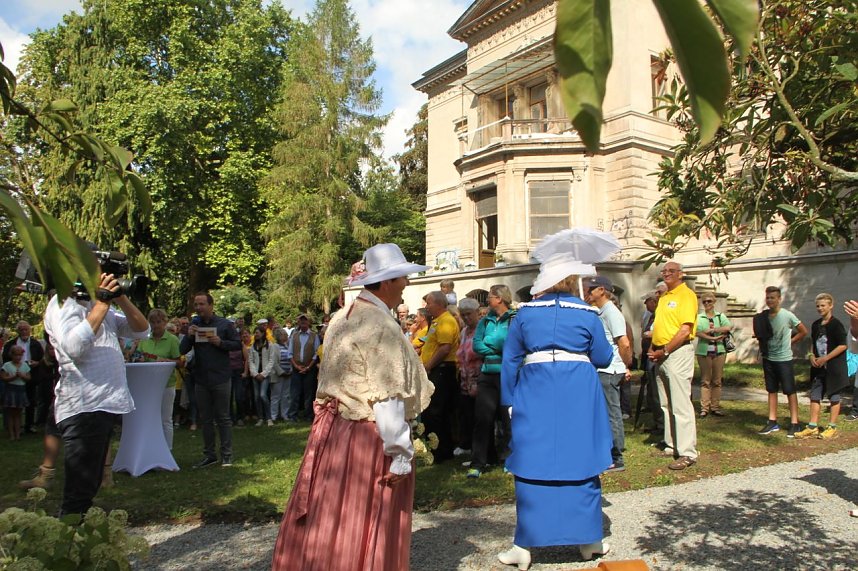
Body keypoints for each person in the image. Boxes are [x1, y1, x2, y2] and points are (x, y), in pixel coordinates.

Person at [271, 243, 433, 571]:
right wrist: (401, 453)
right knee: (366, 513)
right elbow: (386, 396)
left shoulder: (345, 316)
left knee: (336, 512)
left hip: (338, 434)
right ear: (386, 282)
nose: (407, 285)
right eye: (402, 278)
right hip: (368, 438)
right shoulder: (379, 326)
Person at [497, 252, 614, 570]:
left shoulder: (524, 314)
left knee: (532, 458)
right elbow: (603, 358)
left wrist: (508, 400)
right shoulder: (589, 313)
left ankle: (523, 546)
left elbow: (510, 359)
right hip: (578, 389)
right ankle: (589, 541)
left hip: (535, 389)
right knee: (583, 456)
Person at [44, 272, 150, 516]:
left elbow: (141, 330)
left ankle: (76, 543)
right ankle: (68, 545)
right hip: (84, 405)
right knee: (79, 492)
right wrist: (102, 304)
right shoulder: (63, 304)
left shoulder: (100, 307)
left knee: (88, 486)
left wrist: (120, 298)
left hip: (103, 404)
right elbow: (73, 347)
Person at [647, 261, 699, 471]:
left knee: (680, 403)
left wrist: (665, 350)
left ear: (681, 274)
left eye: (671, 271)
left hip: (677, 352)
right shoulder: (664, 297)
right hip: (661, 352)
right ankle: (671, 444)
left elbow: (685, 330)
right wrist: (653, 348)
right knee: (665, 403)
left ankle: (688, 452)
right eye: (664, 271)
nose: (667, 274)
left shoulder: (686, 295)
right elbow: (659, 327)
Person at [180, 292, 241, 468]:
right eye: (196, 305)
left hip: (221, 377)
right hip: (201, 379)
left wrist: (220, 343)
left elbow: (237, 344)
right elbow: (182, 350)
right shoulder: (194, 325)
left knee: (223, 417)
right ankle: (209, 455)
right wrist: (189, 335)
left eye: (201, 304)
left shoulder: (225, 325)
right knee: (205, 419)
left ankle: (227, 455)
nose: (198, 308)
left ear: (211, 305)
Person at [584, 275, 632, 473]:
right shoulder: (601, 311)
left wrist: (625, 365)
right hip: (604, 368)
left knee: (612, 413)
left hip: (610, 369)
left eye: (591, 289)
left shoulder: (611, 312)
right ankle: (607, 451)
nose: (588, 292)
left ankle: (617, 456)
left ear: (601, 290)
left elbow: (624, 342)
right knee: (606, 412)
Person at [469, 284, 515, 478]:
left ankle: (511, 459)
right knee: (483, 418)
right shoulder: (484, 321)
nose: (487, 300)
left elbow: (511, 343)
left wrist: (494, 344)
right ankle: (478, 462)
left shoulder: (514, 319)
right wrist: (497, 348)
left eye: (490, 296)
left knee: (509, 419)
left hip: (509, 375)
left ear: (500, 298)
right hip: (487, 375)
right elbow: (477, 345)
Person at [794, 293, 849, 439]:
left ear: (831, 306)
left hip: (834, 367)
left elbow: (843, 345)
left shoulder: (836, 324)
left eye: (823, 305)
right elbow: (813, 343)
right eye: (818, 306)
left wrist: (826, 358)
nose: (820, 308)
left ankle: (832, 427)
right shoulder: (816, 324)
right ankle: (812, 426)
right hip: (819, 368)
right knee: (815, 395)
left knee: (834, 396)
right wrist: (811, 355)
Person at [756, 286, 807, 437]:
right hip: (768, 358)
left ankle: (795, 423)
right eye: (768, 298)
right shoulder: (763, 317)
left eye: (773, 297)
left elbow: (803, 331)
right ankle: (772, 421)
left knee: (790, 390)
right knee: (771, 390)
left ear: (779, 299)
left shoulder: (787, 315)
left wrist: (791, 342)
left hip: (784, 359)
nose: (770, 300)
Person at [421, 290, 460, 463]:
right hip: (437, 370)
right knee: (433, 412)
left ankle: (442, 451)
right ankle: (439, 449)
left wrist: (429, 366)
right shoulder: (437, 322)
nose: (426, 307)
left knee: (436, 411)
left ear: (438, 303)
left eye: (429, 303)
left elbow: (444, 348)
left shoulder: (446, 321)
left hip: (442, 370)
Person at [137, 309, 182, 449]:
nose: (156, 325)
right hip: (148, 384)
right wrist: (140, 359)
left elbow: (180, 362)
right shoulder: (145, 339)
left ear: (165, 322)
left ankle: (167, 450)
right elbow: (139, 356)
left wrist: (166, 361)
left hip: (166, 384)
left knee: (165, 419)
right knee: (149, 417)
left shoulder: (172, 339)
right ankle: (151, 447)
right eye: (153, 322)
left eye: (159, 322)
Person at [3, 320, 45, 433]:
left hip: (30, 373)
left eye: (26, 329)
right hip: (14, 376)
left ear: (29, 330)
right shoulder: (11, 344)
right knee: (14, 402)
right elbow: (5, 358)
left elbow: (42, 358)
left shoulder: (36, 343)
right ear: (18, 331)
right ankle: (13, 427)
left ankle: (29, 425)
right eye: (21, 330)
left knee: (30, 401)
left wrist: (37, 363)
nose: (24, 332)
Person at [453, 297, 482, 460]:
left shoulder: (482, 329)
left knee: (479, 417)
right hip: (464, 379)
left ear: (477, 313)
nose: (466, 318)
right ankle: (467, 444)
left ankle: (479, 450)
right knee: (466, 415)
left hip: (479, 379)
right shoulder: (463, 331)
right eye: (462, 315)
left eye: (469, 314)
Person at [695, 293, 732, 417]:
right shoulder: (699, 317)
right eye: (704, 301)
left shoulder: (720, 316)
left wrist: (713, 330)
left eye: (709, 301)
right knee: (705, 380)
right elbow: (697, 332)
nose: (707, 304)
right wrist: (713, 338)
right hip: (704, 351)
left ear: (714, 302)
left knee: (717, 380)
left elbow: (728, 327)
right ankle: (704, 408)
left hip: (719, 351)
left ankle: (715, 407)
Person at [287, 314, 320, 422]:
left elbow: (316, 354)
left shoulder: (314, 336)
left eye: (305, 322)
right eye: (301, 322)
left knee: (308, 394)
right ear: (299, 324)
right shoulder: (294, 335)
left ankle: (308, 415)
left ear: (309, 323)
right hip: (296, 368)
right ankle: (293, 415)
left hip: (309, 369)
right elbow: (290, 353)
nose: (303, 324)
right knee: (295, 393)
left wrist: (308, 367)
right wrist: (296, 366)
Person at [249, 324, 277, 426]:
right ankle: (260, 418)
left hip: (265, 375)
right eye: (255, 333)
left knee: (263, 395)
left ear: (262, 334)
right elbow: (250, 361)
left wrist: (263, 374)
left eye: (257, 333)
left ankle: (268, 418)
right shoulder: (253, 347)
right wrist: (255, 374)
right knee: (256, 397)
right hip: (255, 375)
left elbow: (271, 361)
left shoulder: (270, 345)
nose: (255, 335)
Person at [2, 345, 31, 440]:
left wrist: (22, 376)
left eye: (20, 355)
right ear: (12, 355)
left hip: (21, 390)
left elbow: (28, 378)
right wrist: (13, 377)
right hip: (11, 390)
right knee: (11, 414)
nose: (18, 357)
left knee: (19, 413)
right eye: (16, 355)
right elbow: (3, 377)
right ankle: (11, 434)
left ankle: (18, 433)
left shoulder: (25, 365)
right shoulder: (6, 365)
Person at [270, 328, 292, 422]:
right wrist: (282, 372)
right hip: (278, 375)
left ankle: (284, 414)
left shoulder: (288, 346)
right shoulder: (274, 346)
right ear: (279, 336)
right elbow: (274, 362)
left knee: (286, 395)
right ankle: (274, 415)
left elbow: (291, 358)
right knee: (276, 396)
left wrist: (290, 370)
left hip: (288, 374)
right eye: (284, 334)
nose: (286, 336)